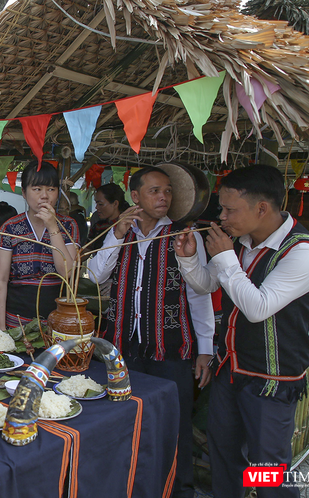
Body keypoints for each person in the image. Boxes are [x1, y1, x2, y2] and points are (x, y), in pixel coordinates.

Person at [175, 165, 309, 498]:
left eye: (230, 210)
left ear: (262, 208)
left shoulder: (303, 252)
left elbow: (257, 308)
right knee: (224, 454)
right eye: (222, 209)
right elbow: (207, 284)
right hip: (231, 369)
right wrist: (189, 260)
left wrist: (226, 257)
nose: (222, 217)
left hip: (272, 378)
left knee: (267, 466)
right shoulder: (240, 242)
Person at [87, 166, 214, 498]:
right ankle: (130, 487)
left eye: (168, 191)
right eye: (155, 191)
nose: (163, 197)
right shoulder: (119, 232)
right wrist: (116, 235)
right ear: (135, 196)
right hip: (124, 349)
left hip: (170, 348)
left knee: (174, 423)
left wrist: (205, 348)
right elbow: (96, 276)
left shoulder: (185, 235)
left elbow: (198, 294)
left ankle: (180, 490)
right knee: (126, 420)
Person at [0, 161, 80, 330]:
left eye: (51, 189)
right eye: (37, 189)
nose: (45, 196)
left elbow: (68, 272)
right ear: (24, 193)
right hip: (16, 320)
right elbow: (1, 280)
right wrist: (1, 328)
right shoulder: (10, 228)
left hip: (58, 320)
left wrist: (53, 227)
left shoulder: (68, 226)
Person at [87, 182, 130, 249]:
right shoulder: (98, 226)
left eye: (100, 204)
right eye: (96, 204)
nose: (96, 207)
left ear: (115, 204)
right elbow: (87, 249)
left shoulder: (129, 225)